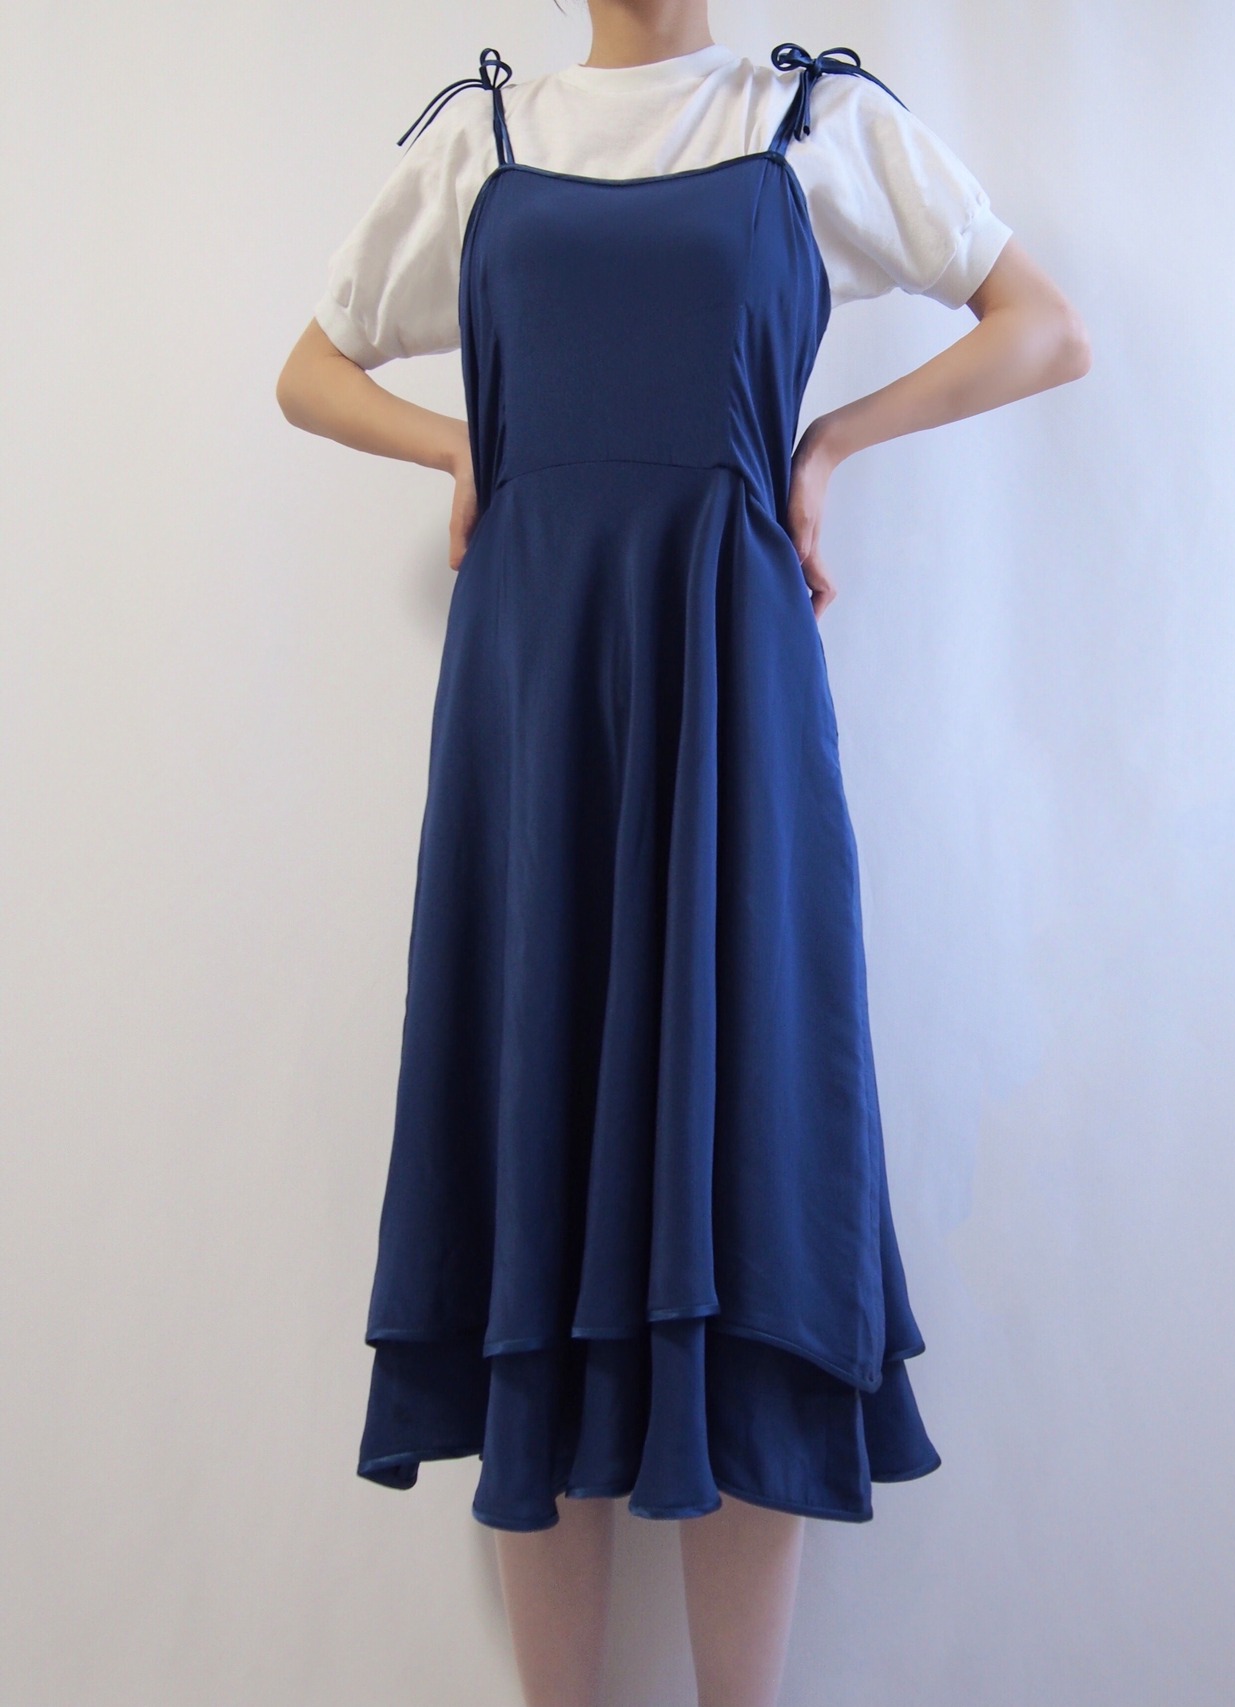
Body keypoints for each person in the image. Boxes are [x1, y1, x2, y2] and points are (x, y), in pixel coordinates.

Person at [276, 6, 1090, 1704]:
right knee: (537, 1155)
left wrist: (827, 442)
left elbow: (1042, 325)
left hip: (732, 679)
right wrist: (460, 444)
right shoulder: (487, 141)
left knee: (752, 1153)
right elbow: (313, 368)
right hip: (532, 697)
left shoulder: (814, 123)